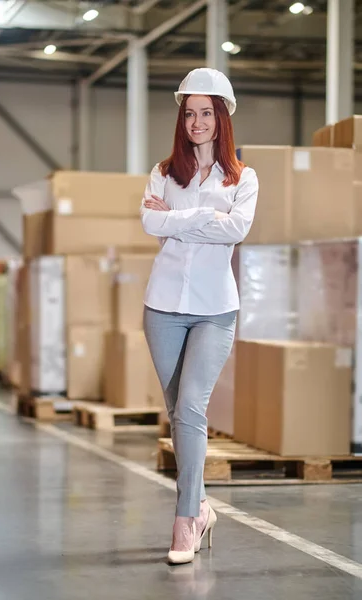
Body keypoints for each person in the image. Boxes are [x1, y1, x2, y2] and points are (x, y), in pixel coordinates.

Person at [140, 68, 259, 565]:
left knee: (191, 407)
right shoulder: (164, 172)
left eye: (206, 113)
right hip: (162, 307)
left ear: (223, 117)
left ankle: (186, 519)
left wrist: (177, 220)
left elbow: (237, 231)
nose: (196, 122)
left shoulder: (244, 177)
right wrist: (203, 218)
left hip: (215, 310)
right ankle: (203, 507)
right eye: (189, 113)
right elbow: (149, 222)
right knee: (181, 417)